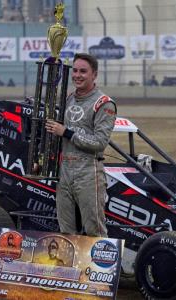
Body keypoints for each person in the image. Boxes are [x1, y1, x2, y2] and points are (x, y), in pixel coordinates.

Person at [46, 53, 117, 237]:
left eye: (83, 71)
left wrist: (66, 132)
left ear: (94, 74)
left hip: (88, 172)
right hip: (64, 171)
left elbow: (100, 142)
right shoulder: (68, 98)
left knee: (95, 229)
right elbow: (56, 134)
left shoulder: (104, 103)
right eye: (75, 71)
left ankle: (102, 266)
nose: (77, 75)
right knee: (66, 231)